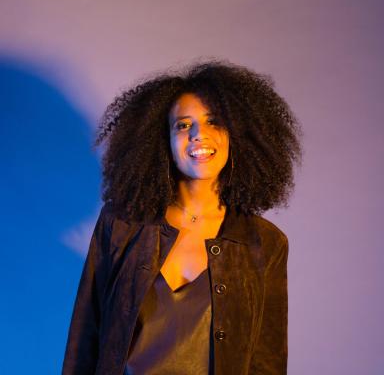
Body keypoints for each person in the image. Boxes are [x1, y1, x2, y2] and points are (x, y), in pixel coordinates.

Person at [62, 61, 302, 375]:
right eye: (183, 125)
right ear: (162, 140)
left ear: (237, 136)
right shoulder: (121, 224)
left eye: (214, 121)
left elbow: (267, 363)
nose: (199, 135)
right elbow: (85, 340)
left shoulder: (264, 243)